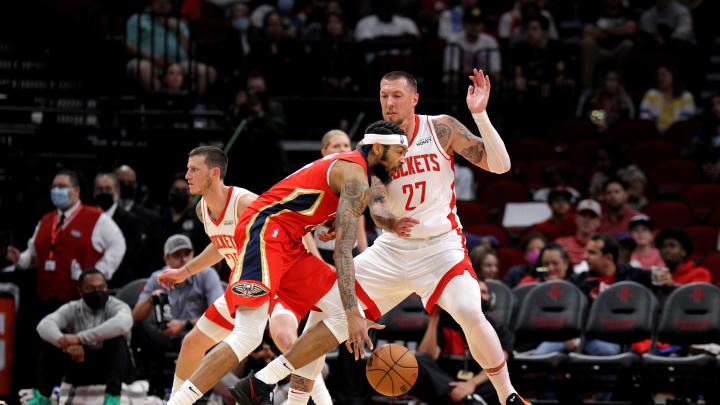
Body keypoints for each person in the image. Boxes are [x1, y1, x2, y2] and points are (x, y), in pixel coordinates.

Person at [231, 70, 531, 405]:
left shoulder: (441, 128)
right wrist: (389, 221)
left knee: (469, 310)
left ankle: (509, 396)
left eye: (396, 96)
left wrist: (479, 114)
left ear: (414, 99)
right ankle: (284, 395)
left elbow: (501, 165)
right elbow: (374, 204)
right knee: (323, 311)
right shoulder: (374, 143)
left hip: (440, 248)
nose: (389, 103)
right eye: (384, 96)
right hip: (391, 250)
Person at [165, 121, 409, 405]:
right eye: (400, 153)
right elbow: (343, 252)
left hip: (287, 241)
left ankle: (265, 385)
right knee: (248, 336)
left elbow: (305, 196)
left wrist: (324, 222)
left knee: (343, 316)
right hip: (266, 233)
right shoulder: (356, 177)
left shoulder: (352, 167)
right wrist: (353, 310)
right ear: (377, 148)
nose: (402, 162)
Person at [154, 146, 333, 403]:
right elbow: (220, 243)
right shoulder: (202, 209)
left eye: (194, 169)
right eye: (187, 169)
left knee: (285, 340)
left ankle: (322, 399)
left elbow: (287, 226)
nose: (187, 175)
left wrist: (309, 264)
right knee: (192, 344)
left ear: (214, 173)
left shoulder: (245, 203)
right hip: (243, 286)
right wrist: (185, 270)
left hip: (273, 281)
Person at [6, 170, 126, 312]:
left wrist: (99, 273)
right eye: (54, 187)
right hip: (45, 301)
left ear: (76, 191)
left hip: (79, 304)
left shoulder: (96, 217)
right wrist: (18, 258)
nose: (57, 190)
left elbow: (118, 245)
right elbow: (32, 256)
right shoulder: (46, 220)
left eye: (62, 186)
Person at [132, 234, 223, 392]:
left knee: (219, 330)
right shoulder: (157, 278)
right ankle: (142, 387)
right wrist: (150, 300)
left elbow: (220, 314)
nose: (183, 260)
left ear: (193, 255)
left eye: (187, 254)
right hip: (165, 335)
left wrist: (184, 325)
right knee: (136, 328)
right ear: (166, 259)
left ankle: (212, 391)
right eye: (177, 255)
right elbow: (135, 316)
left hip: (197, 333)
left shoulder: (207, 275)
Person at [32, 269, 134, 405]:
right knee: (49, 343)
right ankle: (44, 397)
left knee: (117, 339)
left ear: (107, 287)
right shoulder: (72, 308)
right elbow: (44, 325)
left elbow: (123, 323)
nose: (97, 292)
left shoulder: (116, 305)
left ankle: (112, 397)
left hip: (113, 368)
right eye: (91, 288)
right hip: (80, 364)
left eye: (101, 287)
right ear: (80, 291)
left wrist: (79, 339)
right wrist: (66, 344)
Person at [411, 279, 512, 405]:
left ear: (491, 300)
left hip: (479, 385)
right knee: (417, 361)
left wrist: (471, 384)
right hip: (446, 384)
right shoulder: (443, 322)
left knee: (506, 378)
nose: (479, 295)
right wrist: (434, 318)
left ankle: (467, 398)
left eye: (484, 292)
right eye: (475, 291)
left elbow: (500, 362)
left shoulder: (497, 325)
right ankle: (466, 399)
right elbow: (428, 356)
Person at [126, 0, 217, 94]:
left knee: (207, 72)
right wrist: (153, 57)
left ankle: (188, 102)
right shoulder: (137, 19)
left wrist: (176, 30)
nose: (163, 4)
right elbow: (130, 46)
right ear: (151, 2)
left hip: (179, 63)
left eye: (167, 2)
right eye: (159, 1)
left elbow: (191, 51)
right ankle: (159, 102)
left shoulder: (179, 23)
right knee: (143, 68)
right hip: (148, 60)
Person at [313, 130, 368, 263]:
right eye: (336, 146)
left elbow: (359, 218)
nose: (342, 149)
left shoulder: (356, 177)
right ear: (324, 152)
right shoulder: (315, 177)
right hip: (322, 254)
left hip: (351, 252)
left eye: (345, 145)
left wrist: (365, 254)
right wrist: (318, 262)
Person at [93, 173, 146, 288]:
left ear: (117, 192)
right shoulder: (88, 218)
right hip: (92, 282)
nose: (104, 192)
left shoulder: (131, 221)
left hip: (120, 284)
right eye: (100, 189)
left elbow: (131, 257)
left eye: (108, 189)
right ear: (94, 193)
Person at [579, 0, 637, 89]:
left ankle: (623, 87)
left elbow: (631, 30)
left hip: (618, 50)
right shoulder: (595, 10)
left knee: (628, 44)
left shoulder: (627, 11)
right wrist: (619, 31)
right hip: (598, 50)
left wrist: (605, 30)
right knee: (587, 43)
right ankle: (587, 88)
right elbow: (586, 32)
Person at [443, 7, 501, 94]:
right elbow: (452, 69)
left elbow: (495, 71)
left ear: (482, 25)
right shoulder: (454, 41)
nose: (474, 27)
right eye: (471, 23)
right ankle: (453, 105)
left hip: (484, 80)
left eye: (478, 23)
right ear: (464, 24)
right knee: (451, 78)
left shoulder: (490, 42)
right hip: (461, 78)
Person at [160, 174, 209, 255]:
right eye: (176, 190)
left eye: (184, 191)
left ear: (191, 196)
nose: (179, 193)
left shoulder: (200, 223)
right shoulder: (159, 220)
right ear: (169, 193)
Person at [639, 64, 696, 133]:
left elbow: (685, 121)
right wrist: (656, 131)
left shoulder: (686, 96)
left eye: (663, 75)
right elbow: (645, 118)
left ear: (673, 76)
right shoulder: (651, 94)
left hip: (678, 134)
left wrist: (669, 131)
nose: (660, 78)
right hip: (654, 134)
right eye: (658, 75)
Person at [556, 199, 603, 267]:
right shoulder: (561, 244)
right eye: (583, 215)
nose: (587, 220)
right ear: (575, 218)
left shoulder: (603, 247)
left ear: (599, 221)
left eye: (592, 216)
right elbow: (543, 268)